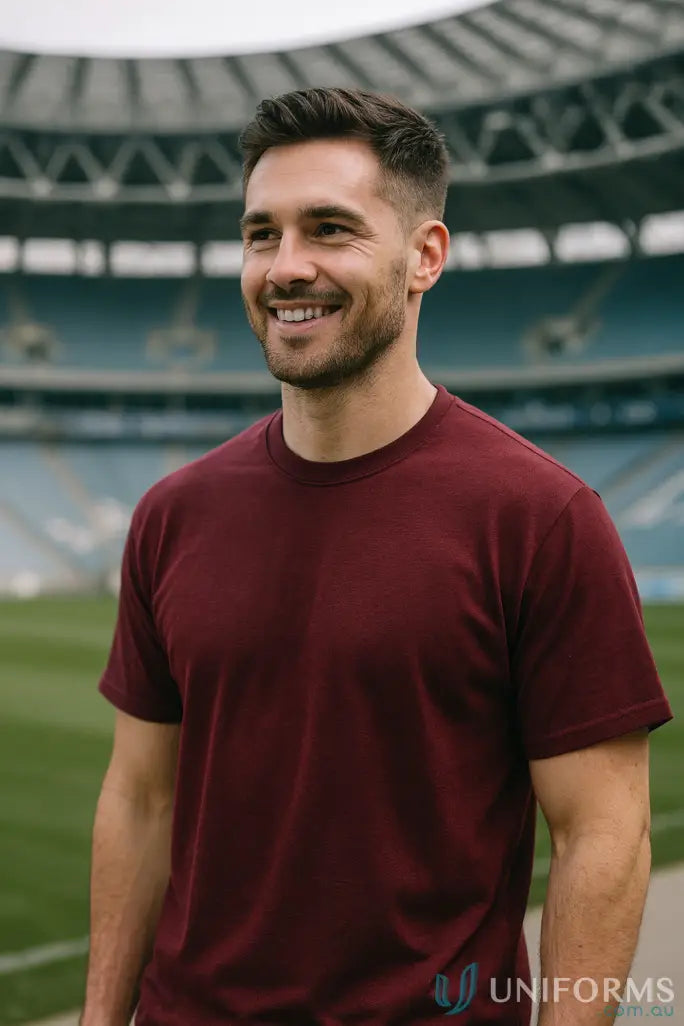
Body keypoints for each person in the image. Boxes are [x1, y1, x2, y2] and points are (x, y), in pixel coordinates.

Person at [80, 88, 673, 1026]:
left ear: (424, 256)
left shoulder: (542, 518)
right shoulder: (172, 515)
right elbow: (140, 800)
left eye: (329, 229)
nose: (287, 267)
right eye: (260, 234)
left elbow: (603, 834)